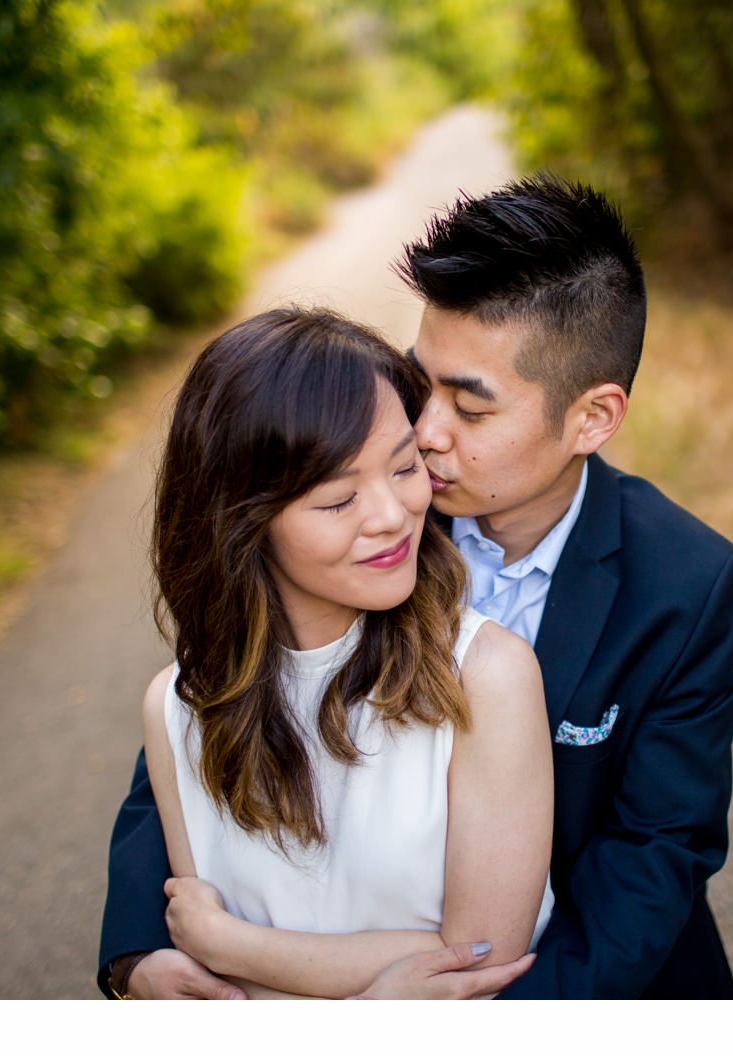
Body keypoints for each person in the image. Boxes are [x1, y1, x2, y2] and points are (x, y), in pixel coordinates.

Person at [98, 175, 733, 999]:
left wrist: (468, 1018)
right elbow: (214, 716)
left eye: (470, 410)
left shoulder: (688, 585)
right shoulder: (377, 509)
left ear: (591, 418)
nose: (424, 431)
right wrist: (136, 952)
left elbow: (656, 849)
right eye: (422, 380)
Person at [129, 307, 554, 1000]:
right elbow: (213, 996)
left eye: (405, 467)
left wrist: (227, 941)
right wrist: (381, 989)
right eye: (337, 500)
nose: (390, 515)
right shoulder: (175, 708)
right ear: (242, 523)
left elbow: (480, 960)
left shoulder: (486, 677)